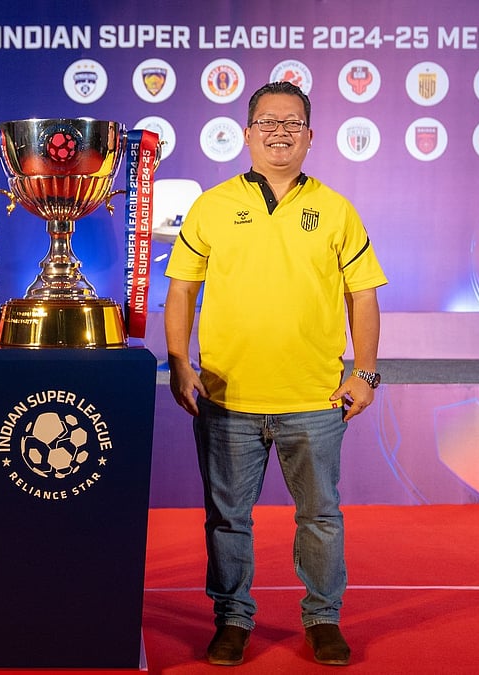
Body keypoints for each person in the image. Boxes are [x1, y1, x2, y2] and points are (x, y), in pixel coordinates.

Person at [163, 80, 387, 667]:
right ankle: (232, 618)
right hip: (227, 399)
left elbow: (362, 296)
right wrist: (179, 361)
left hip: (314, 399)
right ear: (247, 133)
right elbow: (182, 289)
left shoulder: (335, 208)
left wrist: (365, 372)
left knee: (320, 516)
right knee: (228, 519)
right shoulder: (212, 205)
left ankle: (323, 618)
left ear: (311, 136)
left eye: (292, 122)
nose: (280, 131)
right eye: (268, 121)